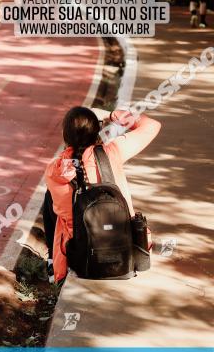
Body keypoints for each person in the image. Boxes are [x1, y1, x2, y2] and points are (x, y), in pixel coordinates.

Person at [44, 107, 160, 284]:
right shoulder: (112, 152)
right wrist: (112, 115)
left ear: (65, 135)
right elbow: (152, 125)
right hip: (124, 252)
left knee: (53, 200)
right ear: (97, 130)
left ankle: (53, 265)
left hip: (82, 259)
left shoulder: (55, 170)